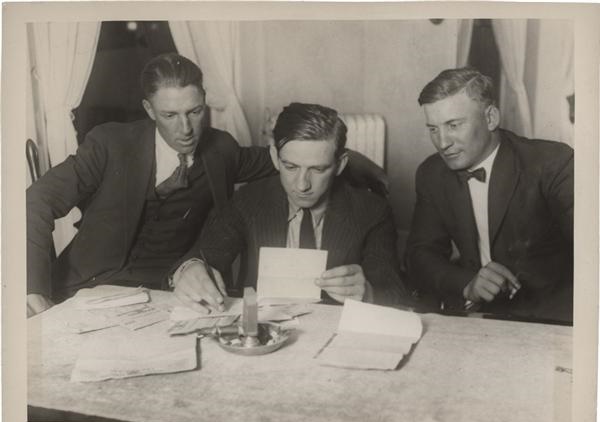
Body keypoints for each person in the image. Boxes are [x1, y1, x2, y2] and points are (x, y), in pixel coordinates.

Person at [26, 53, 387, 317]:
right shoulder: (108, 145)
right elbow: (34, 203)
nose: (186, 129)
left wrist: (372, 172)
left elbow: (289, 158)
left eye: (196, 111)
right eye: (170, 115)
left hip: (164, 297)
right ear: (149, 110)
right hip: (83, 290)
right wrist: (33, 292)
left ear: (204, 102)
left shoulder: (222, 149)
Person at [172, 102, 408, 309]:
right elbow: (204, 255)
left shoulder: (371, 211)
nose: (302, 185)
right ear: (275, 158)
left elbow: (395, 293)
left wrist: (368, 293)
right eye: (291, 167)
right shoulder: (249, 200)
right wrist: (189, 270)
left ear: (340, 164)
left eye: (317, 169)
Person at [406, 67, 573, 323]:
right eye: (433, 129)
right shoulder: (432, 173)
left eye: (453, 125)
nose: (442, 142)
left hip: (551, 319)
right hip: (476, 314)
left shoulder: (553, 164)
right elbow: (420, 255)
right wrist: (466, 284)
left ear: (491, 118)